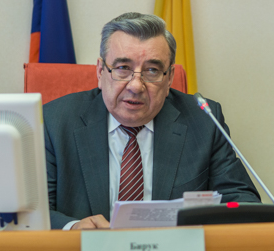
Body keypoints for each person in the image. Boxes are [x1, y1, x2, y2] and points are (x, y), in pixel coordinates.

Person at [44, 12, 260, 229]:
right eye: (123, 68)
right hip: (86, 250)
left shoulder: (203, 121)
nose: (136, 86)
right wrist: (73, 227)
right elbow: (35, 212)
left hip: (174, 249)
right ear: (100, 72)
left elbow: (241, 201)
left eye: (152, 71)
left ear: (169, 78)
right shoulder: (55, 122)